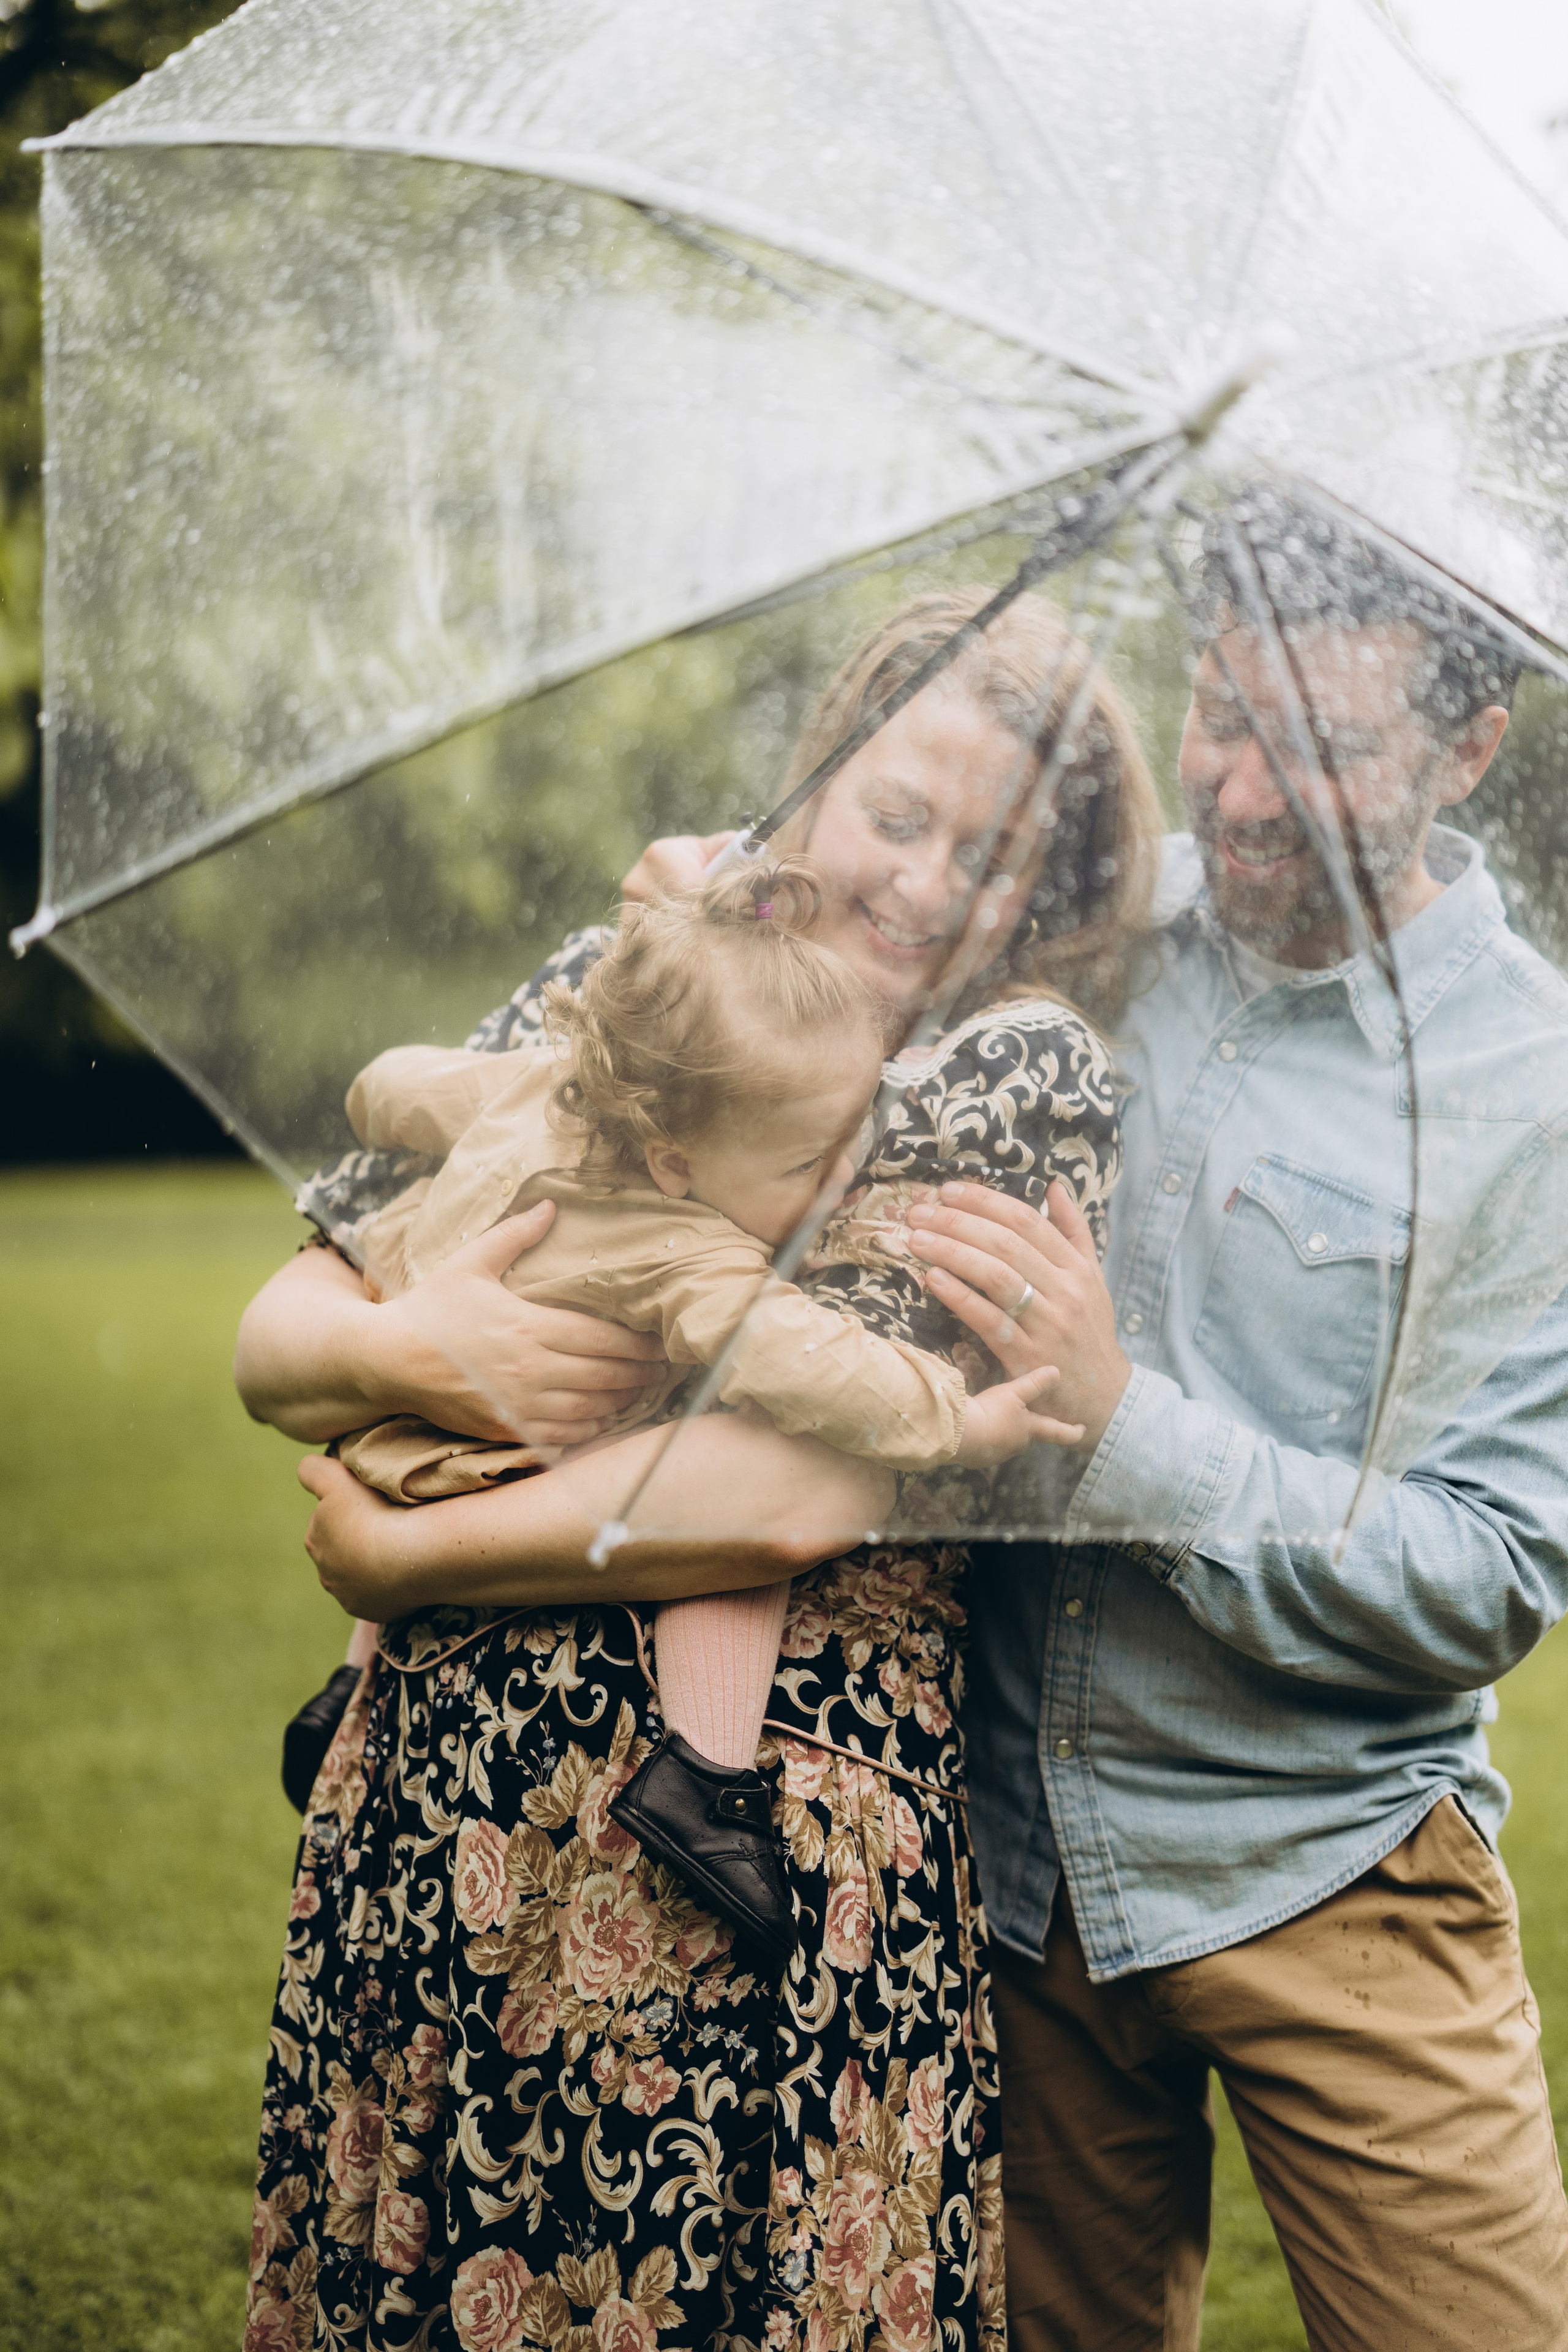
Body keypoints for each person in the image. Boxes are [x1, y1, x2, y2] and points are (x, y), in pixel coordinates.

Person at [236, 588, 1164, 2352]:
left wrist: (397, 1554)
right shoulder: (639, 973)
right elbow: (283, 1322)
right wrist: (410, 1351)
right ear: (817, 783)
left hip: (742, 1856)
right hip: (442, 1799)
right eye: (897, 814)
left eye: (990, 856)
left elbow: (794, 1490)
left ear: (1043, 894)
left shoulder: (1011, 1071)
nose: (922, 884)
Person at [899, 492, 1568, 2350]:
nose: (1245, 794)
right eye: (1220, 716)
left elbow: (1487, 1573)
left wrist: (1127, 1425)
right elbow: (829, 947)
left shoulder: (1541, 1098)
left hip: (1338, 1871)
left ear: (1468, 748)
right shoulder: (1091, 936)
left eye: (1326, 747)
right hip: (1009, 1865)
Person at [330, 856, 1074, 1960]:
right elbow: (813, 1360)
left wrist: (378, 1093)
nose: (843, 1177)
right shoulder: (692, 1252)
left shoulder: (541, 1085)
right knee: (732, 1467)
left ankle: (340, 1688)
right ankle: (704, 1776)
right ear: (676, 1160)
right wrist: (959, 1419)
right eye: (813, 1161)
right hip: (488, 1459)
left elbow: (393, 1088)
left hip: (386, 1428)